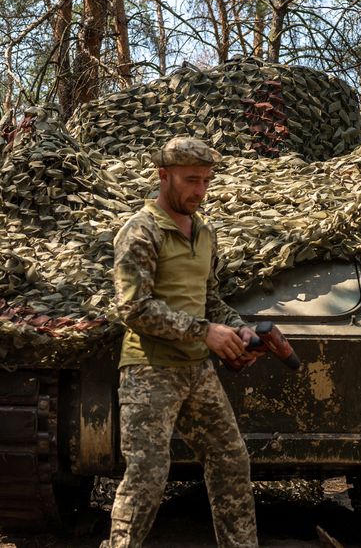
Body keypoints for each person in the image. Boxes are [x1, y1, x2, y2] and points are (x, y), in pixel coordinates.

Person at [108, 135, 261, 548]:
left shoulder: (204, 233)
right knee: (147, 477)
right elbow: (134, 308)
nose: (200, 190)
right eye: (191, 180)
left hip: (197, 369)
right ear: (163, 175)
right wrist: (204, 332)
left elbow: (210, 300)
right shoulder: (140, 231)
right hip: (150, 369)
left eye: (206, 180)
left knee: (231, 462)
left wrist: (238, 327)